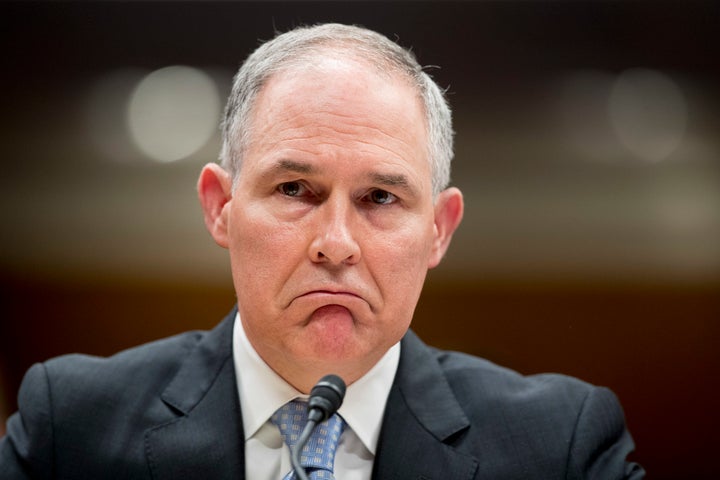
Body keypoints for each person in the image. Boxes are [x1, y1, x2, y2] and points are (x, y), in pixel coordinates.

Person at [0, 23, 644, 479]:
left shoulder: (561, 448)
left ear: (440, 231)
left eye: (381, 199)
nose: (336, 245)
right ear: (219, 206)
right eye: (295, 189)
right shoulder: (71, 428)